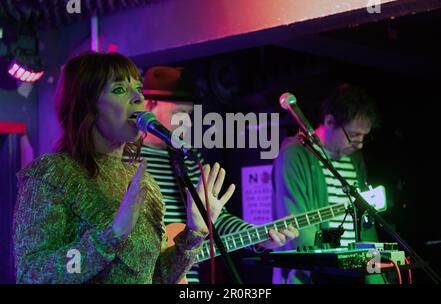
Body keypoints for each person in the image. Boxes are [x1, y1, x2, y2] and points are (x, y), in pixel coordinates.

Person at [12, 52, 235, 284]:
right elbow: (32, 274)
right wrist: (112, 235)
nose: (138, 97)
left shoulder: (144, 182)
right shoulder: (53, 174)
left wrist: (194, 233)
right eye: (119, 89)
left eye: (138, 88)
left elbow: (157, 277)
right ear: (86, 107)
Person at [140, 66, 299, 283]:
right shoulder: (127, 159)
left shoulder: (187, 158)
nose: (184, 122)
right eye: (178, 112)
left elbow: (216, 219)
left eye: (188, 114)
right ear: (151, 105)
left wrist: (259, 237)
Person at [272, 84, 379, 284]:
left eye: (364, 136)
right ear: (329, 121)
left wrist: (374, 275)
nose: (360, 143)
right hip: (315, 275)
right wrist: (336, 265)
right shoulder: (294, 155)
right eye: (354, 135)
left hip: (353, 273)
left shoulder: (355, 159)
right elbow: (296, 227)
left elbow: (366, 224)